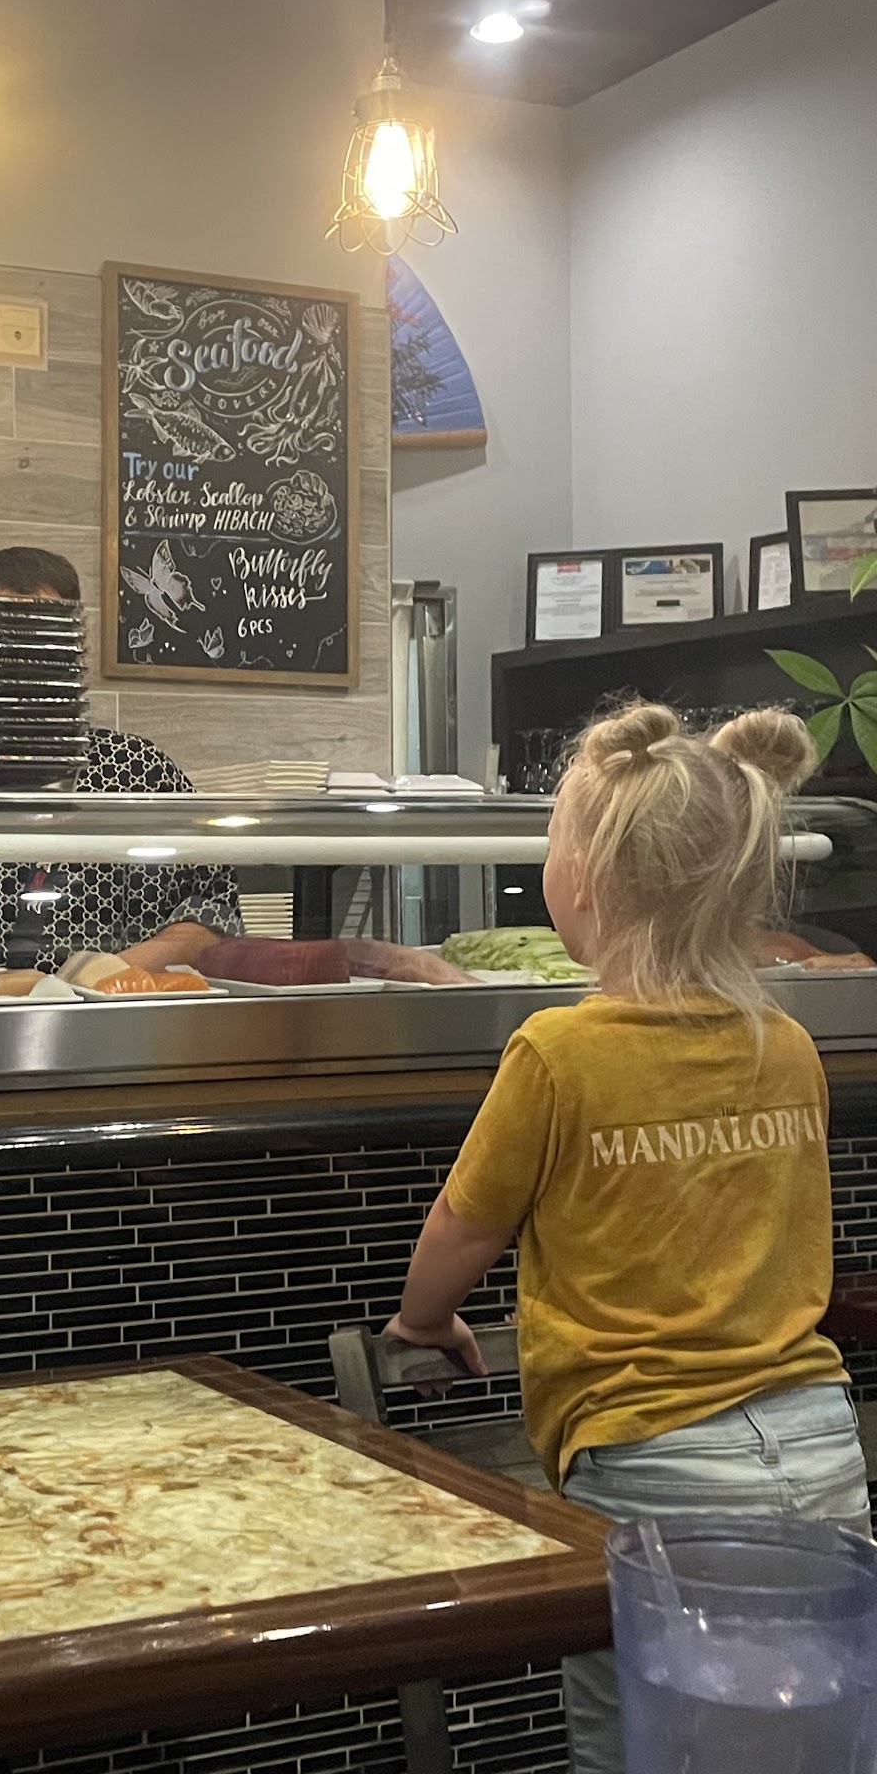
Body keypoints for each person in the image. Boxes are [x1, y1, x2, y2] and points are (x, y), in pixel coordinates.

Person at [382, 700, 868, 1774]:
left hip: (651, 1461)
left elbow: (464, 1222)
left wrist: (422, 1321)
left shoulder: (556, 1052)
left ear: (586, 881)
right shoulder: (788, 1045)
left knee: (641, 1742)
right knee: (805, 1738)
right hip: (820, 1440)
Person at [0, 547, 243, 982]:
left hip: (113, 1013)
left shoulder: (139, 770)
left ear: (77, 648)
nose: (24, 660)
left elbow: (211, 914)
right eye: (4, 637)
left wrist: (94, 979)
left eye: (44, 636)